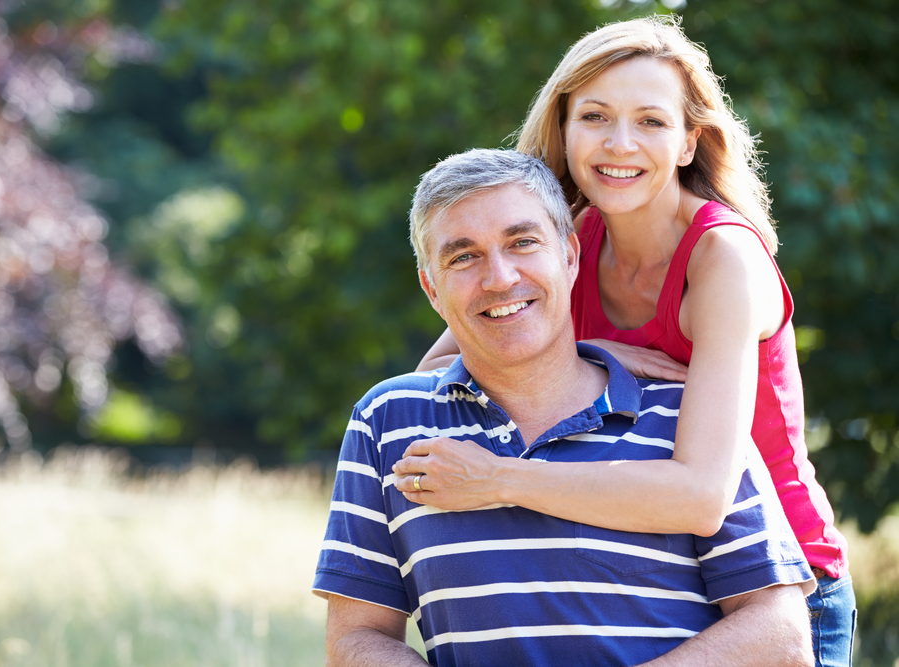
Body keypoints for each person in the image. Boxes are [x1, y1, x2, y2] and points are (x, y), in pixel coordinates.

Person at [408, 17, 854, 666]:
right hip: (650, 565)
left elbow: (703, 495)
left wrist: (501, 479)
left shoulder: (722, 258)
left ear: (686, 142)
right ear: (563, 129)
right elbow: (439, 373)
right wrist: (604, 354)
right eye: (595, 116)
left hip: (775, 587)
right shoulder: (568, 241)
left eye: (650, 121)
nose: (620, 144)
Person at [314, 148, 815, 667]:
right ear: (431, 289)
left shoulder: (688, 421)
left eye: (523, 242)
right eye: (463, 257)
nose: (500, 278)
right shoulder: (388, 420)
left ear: (570, 257)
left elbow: (781, 634)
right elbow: (356, 639)